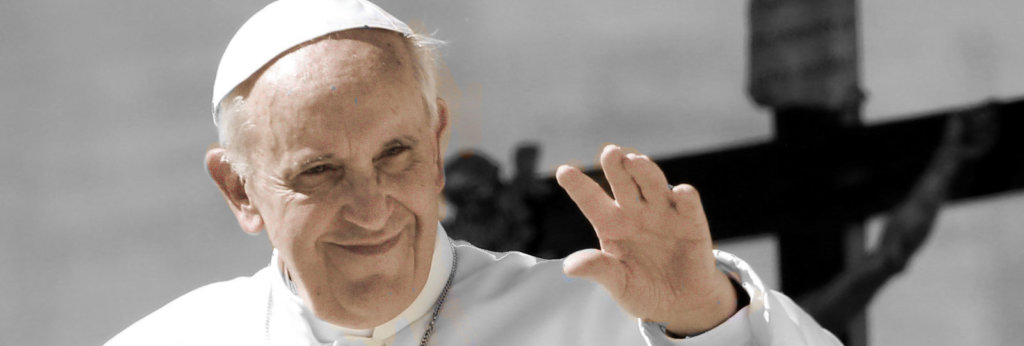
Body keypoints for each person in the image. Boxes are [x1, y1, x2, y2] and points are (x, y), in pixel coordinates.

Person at [106, 0, 841, 345]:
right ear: (240, 190)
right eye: (322, 172)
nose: (371, 207)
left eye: (395, 156)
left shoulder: (606, 323)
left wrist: (711, 320)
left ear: (436, 145)